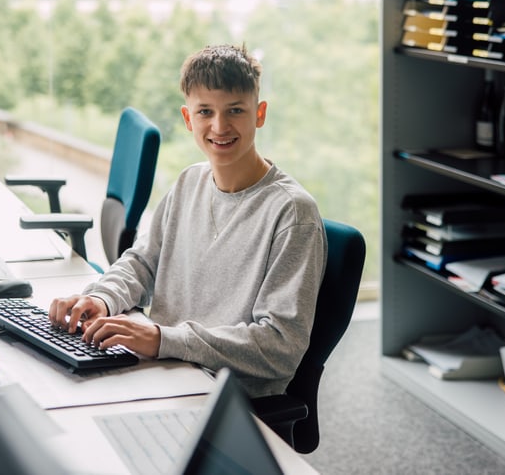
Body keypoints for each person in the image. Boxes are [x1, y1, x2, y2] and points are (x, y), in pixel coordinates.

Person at [49, 43, 327, 397]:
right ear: (187, 118)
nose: (220, 126)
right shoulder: (188, 183)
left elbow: (280, 346)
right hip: (163, 369)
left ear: (260, 113)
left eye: (236, 110)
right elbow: (141, 263)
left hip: (223, 397)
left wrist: (163, 339)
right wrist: (103, 298)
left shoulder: (292, 213)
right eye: (205, 112)